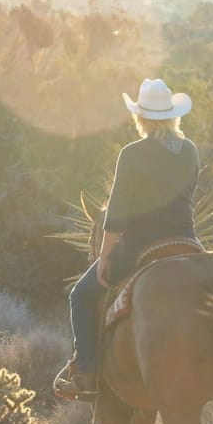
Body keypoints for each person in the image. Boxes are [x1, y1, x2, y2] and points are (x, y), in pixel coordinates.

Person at [54, 78, 201, 397]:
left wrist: (106, 257)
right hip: (189, 243)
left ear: (142, 118)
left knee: (79, 296)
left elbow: (116, 215)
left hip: (140, 247)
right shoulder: (189, 150)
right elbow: (188, 196)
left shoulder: (133, 154)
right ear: (173, 116)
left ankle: (88, 374)